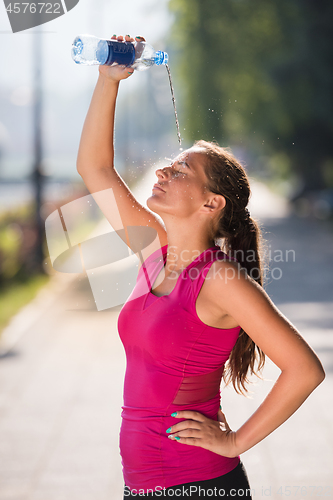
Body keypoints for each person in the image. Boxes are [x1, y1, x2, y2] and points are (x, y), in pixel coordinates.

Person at [76, 35, 325, 499]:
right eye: (168, 166)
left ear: (212, 202)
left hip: (198, 485)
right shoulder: (155, 253)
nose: (162, 173)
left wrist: (234, 441)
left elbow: (305, 369)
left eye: (180, 170)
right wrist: (108, 81)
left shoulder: (221, 278)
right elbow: (95, 168)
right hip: (146, 486)